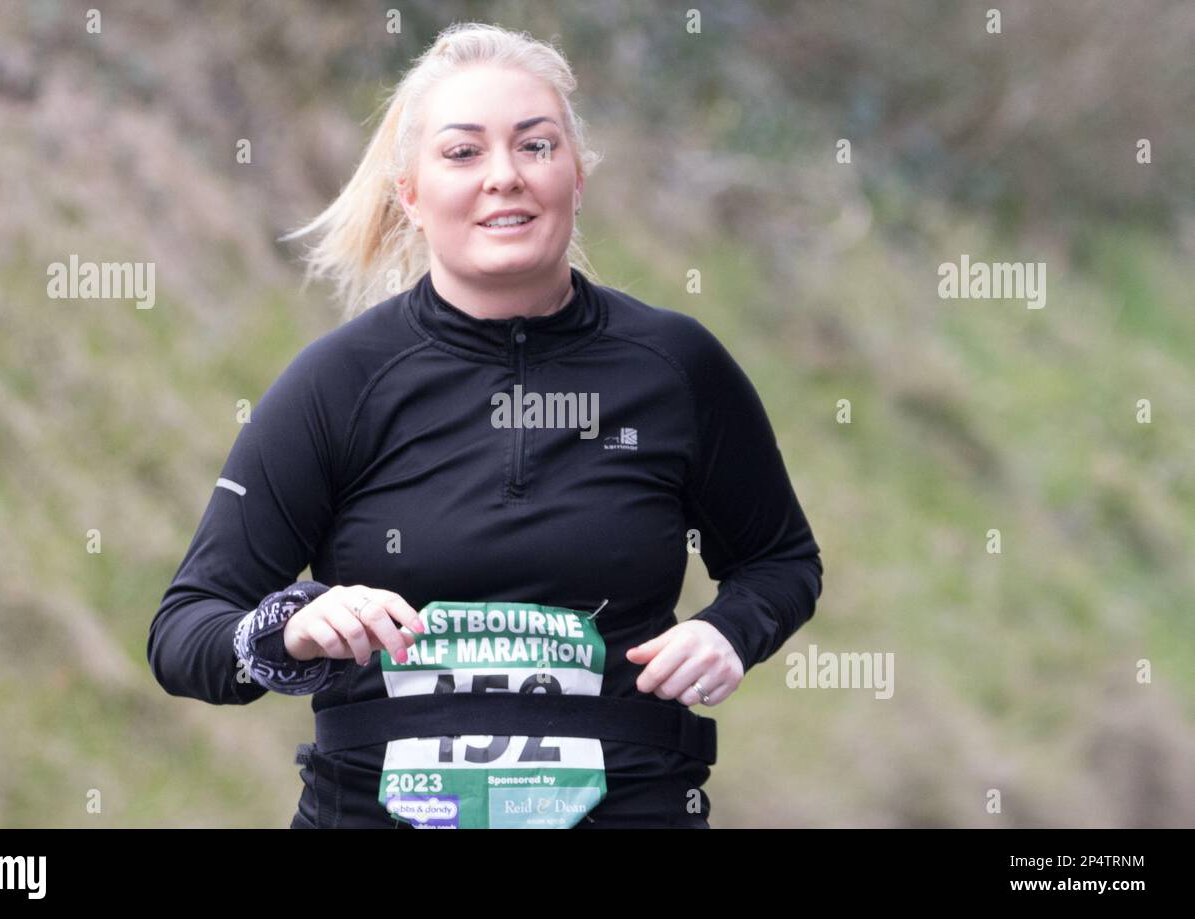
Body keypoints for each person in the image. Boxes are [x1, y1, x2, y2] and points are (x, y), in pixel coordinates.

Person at [147, 21, 823, 829]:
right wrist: (289, 625)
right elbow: (185, 632)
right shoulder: (338, 383)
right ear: (411, 194)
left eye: (535, 147)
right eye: (463, 153)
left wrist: (729, 632)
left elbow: (780, 560)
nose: (504, 176)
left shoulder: (676, 369)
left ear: (577, 176)